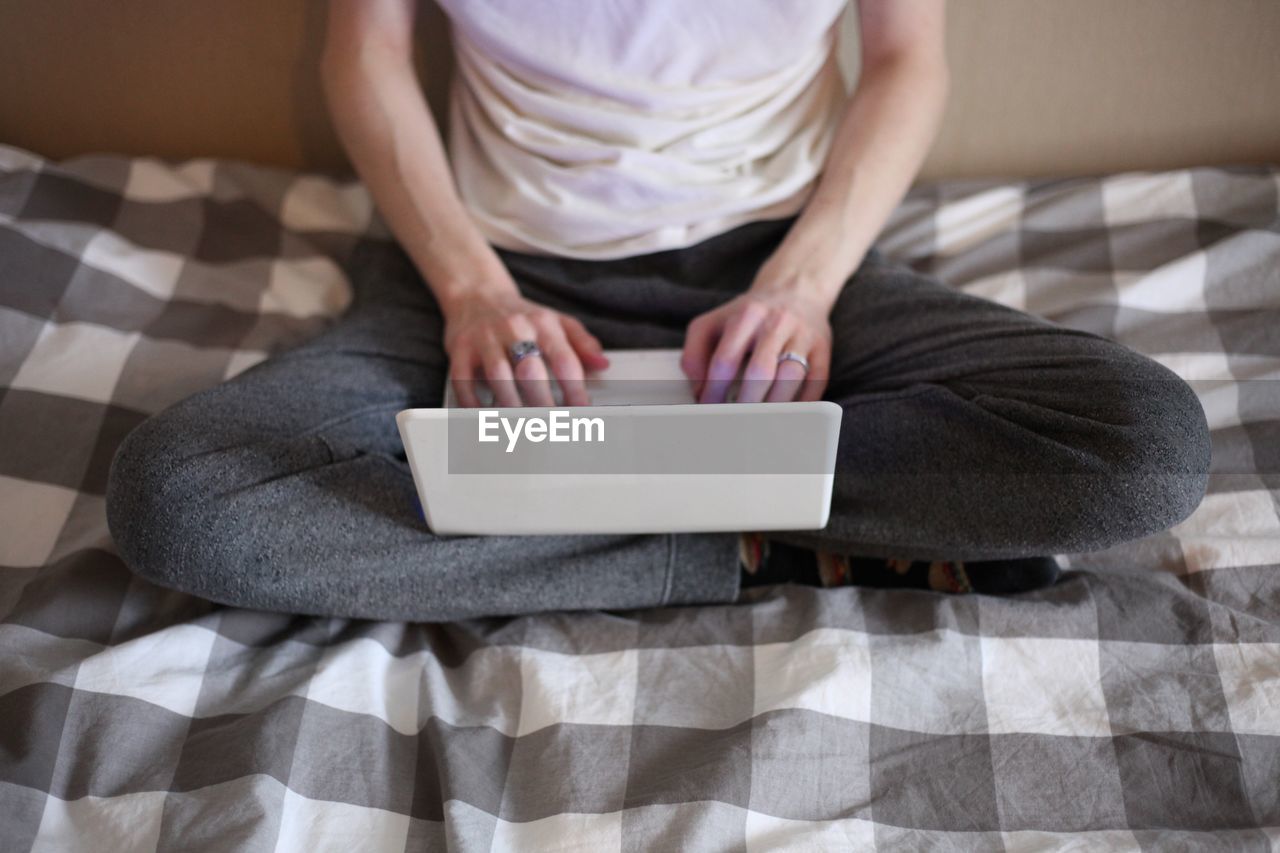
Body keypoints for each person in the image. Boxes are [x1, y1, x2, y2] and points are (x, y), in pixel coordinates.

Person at [105, 0, 1210, 622]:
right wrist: (471, 290)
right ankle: (759, 550)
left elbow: (906, 58)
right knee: (182, 504)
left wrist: (803, 284)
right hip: (486, 279)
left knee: (1146, 450)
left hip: (781, 267)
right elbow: (367, 49)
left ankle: (623, 510)